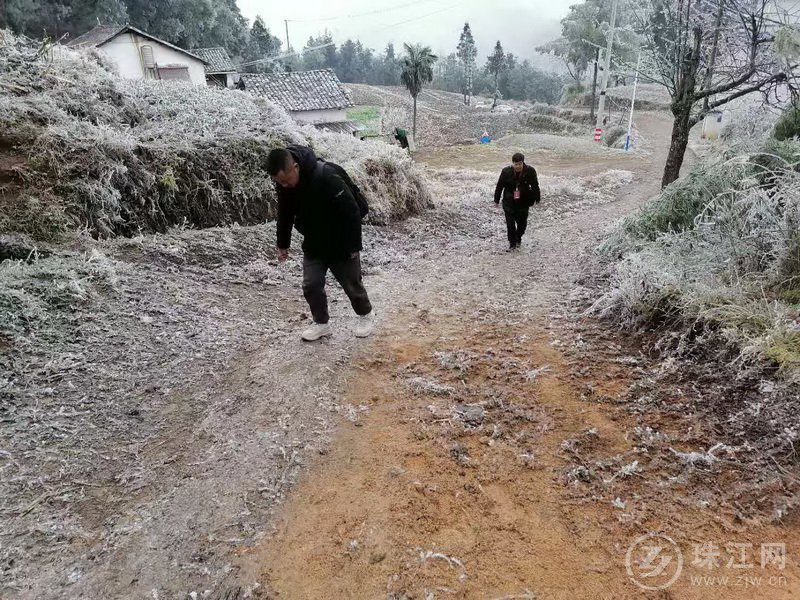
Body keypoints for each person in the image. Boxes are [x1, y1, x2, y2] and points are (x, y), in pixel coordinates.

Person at [267, 145, 374, 342]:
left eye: (285, 180)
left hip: (341, 241)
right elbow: (285, 213)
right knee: (311, 284)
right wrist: (283, 244)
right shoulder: (286, 186)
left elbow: (352, 212)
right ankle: (321, 324)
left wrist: (352, 247)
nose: (283, 185)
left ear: (295, 167)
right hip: (314, 241)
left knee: (352, 284)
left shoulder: (327, 176)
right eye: (278, 182)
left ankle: (365, 315)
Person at [494, 152, 541, 251]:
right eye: (516, 164)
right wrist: (496, 200)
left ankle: (518, 237)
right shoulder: (506, 171)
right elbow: (499, 186)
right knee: (510, 225)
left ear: (523, 163)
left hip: (524, 201)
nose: (518, 166)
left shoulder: (530, 171)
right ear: (513, 163)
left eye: (520, 164)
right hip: (509, 201)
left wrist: (537, 198)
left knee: (522, 224)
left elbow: (535, 185)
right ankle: (512, 244)